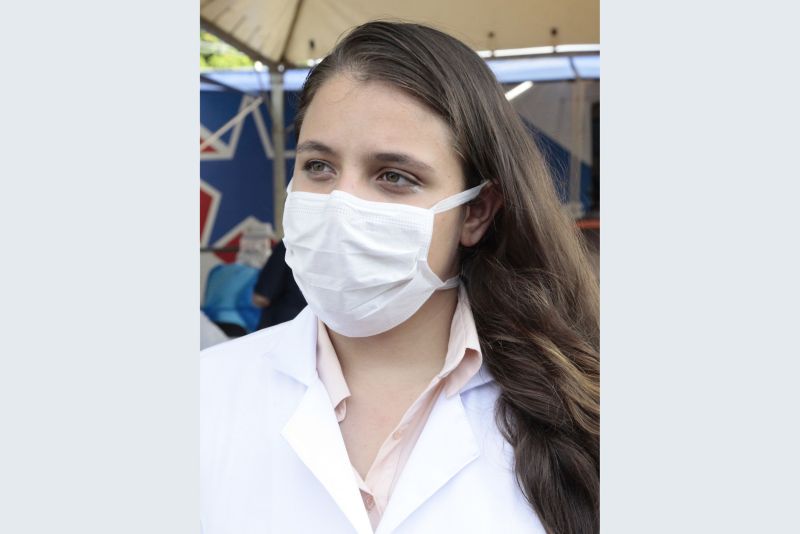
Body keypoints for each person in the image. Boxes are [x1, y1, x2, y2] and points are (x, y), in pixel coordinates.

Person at [201, 21, 599, 534]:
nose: (341, 204)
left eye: (394, 177)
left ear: (475, 213)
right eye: (319, 166)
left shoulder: (580, 412)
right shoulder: (206, 393)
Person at [251, 239, 307, 329]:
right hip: (317, 328)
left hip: (283, 325)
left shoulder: (289, 245)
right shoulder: (330, 248)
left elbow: (261, 298)